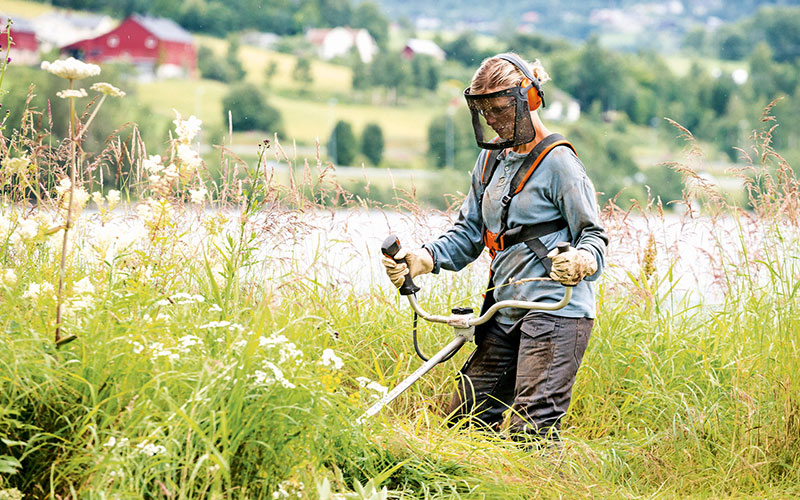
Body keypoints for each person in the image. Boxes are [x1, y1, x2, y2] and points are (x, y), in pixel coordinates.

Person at [381, 53, 608, 441]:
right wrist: (423, 258)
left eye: (500, 109)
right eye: (485, 111)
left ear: (528, 100)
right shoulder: (489, 162)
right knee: (463, 421)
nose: (493, 120)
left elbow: (595, 238)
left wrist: (581, 261)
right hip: (503, 312)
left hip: (555, 311)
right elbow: (469, 233)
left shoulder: (560, 163)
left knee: (529, 430)